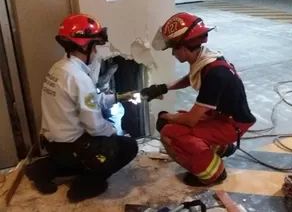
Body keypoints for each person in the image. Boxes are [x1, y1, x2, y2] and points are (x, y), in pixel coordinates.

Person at [25, 13, 139, 203]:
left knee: (90, 149)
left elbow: (92, 99)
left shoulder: (60, 68)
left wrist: (119, 97)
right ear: (85, 46)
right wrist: (115, 134)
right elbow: (95, 126)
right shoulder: (79, 79)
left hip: (53, 144)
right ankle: (85, 186)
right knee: (126, 147)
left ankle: (42, 169)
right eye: (94, 47)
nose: (95, 53)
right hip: (71, 146)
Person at [140, 12, 256, 187]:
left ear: (183, 48)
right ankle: (220, 148)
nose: (172, 54)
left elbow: (191, 119)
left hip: (232, 124)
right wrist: (162, 88)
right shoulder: (206, 60)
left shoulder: (215, 75)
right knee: (179, 120)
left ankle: (213, 174)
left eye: (173, 48)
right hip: (224, 116)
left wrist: (166, 116)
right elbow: (190, 78)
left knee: (169, 132)